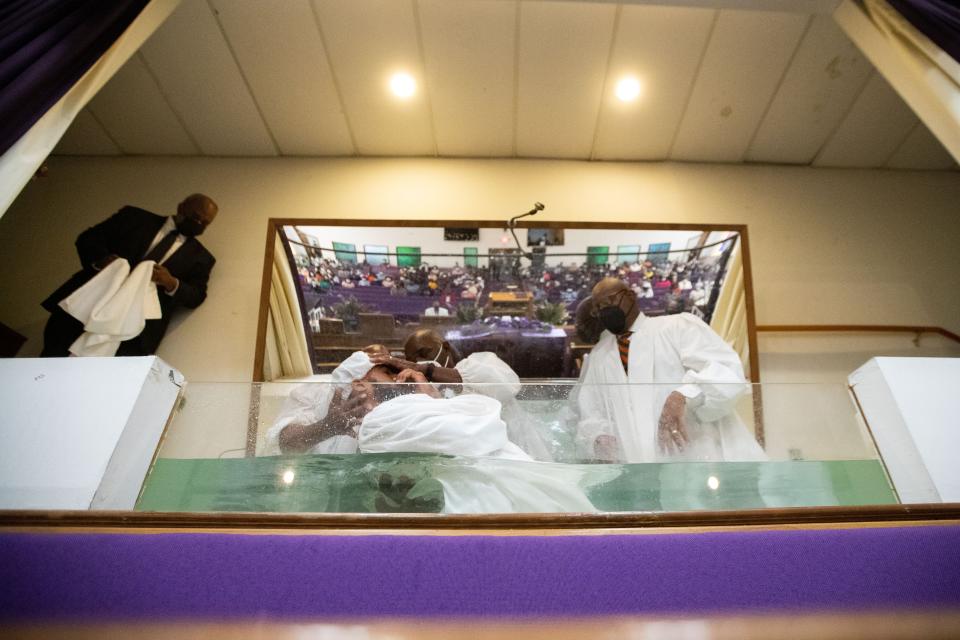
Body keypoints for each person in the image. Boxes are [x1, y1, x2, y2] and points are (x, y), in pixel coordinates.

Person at [575, 277, 765, 463]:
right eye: (599, 308)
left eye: (610, 301)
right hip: (640, 468)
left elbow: (727, 374)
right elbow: (591, 409)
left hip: (702, 461)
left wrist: (684, 395)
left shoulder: (678, 327)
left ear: (631, 296)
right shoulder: (600, 355)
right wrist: (598, 436)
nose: (605, 310)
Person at [40, 194, 218, 357]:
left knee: (99, 382)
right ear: (181, 207)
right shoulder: (134, 218)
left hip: (132, 330)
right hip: (87, 306)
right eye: (195, 217)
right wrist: (103, 260)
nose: (199, 224)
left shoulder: (201, 258)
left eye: (205, 223)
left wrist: (171, 282)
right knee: (50, 359)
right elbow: (89, 238)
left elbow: (196, 295)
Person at [369, 329, 554, 461]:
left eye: (425, 353)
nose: (418, 361)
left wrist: (425, 369)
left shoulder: (481, 362)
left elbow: (506, 385)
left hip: (522, 453)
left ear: (446, 347)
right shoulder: (426, 389)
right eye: (412, 359)